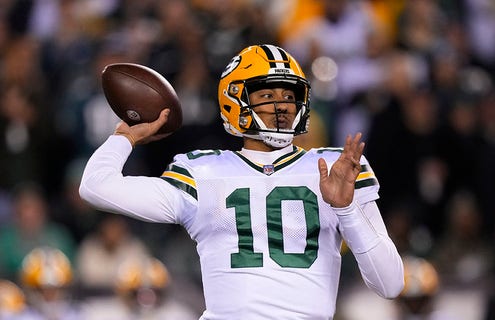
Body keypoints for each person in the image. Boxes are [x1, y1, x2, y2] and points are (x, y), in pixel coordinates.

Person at [79, 44, 404, 319]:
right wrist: (125, 135)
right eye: (266, 94)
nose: (282, 107)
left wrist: (347, 208)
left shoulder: (335, 166)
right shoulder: (202, 172)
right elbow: (95, 187)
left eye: (289, 96)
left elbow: (390, 284)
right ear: (235, 101)